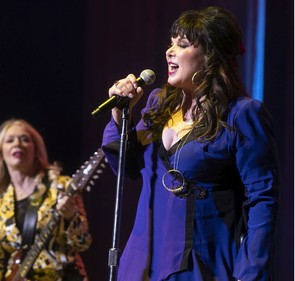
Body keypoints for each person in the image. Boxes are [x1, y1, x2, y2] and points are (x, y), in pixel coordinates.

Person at [101, 6, 279, 281]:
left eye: (182, 45)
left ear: (210, 56)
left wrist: (250, 272)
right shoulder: (159, 104)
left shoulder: (240, 114)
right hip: (143, 265)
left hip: (201, 264)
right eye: (171, 43)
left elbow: (262, 199)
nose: (169, 51)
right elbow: (127, 168)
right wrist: (119, 116)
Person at [0, 119, 92, 281]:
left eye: (25, 139)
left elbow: (83, 243)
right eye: (10, 140)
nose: (17, 143)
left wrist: (69, 217)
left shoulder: (62, 187)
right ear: (1, 152)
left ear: (36, 149)